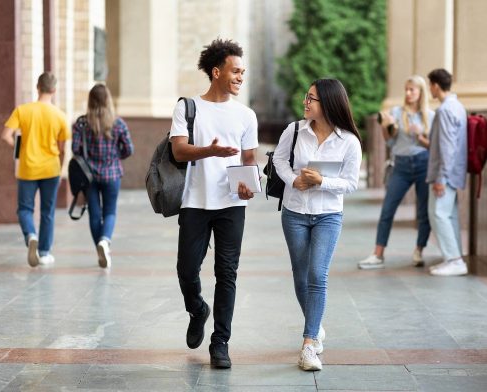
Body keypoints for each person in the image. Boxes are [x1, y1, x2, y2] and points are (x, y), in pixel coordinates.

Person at [170, 38, 258, 369]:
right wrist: (210, 150)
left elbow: (249, 158)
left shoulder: (246, 115)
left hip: (232, 205)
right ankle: (197, 309)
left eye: (243, 72)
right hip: (194, 201)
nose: (240, 77)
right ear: (217, 72)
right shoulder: (187, 107)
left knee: (227, 273)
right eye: (235, 71)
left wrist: (249, 186)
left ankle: (220, 342)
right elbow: (179, 150)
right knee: (187, 269)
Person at [273, 79, 362, 371]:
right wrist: (293, 179)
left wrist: (321, 182)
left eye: (311, 98)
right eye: (306, 97)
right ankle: (316, 324)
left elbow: (351, 183)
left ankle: (309, 343)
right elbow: (279, 161)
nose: (305, 102)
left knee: (317, 274)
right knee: (301, 276)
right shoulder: (295, 130)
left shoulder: (349, 141)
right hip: (295, 212)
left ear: (328, 103)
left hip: (328, 215)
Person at [358, 76, 435, 269]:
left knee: (423, 211)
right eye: (406, 89)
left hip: (423, 164)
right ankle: (378, 254)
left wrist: (419, 136)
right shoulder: (396, 113)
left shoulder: (430, 116)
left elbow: (434, 147)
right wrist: (385, 127)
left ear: (420, 93)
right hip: (400, 165)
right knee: (387, 209)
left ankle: (419, 251)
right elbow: (390, 142)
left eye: (412, 90)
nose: (408, 94)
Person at [1, 72, 70, 267]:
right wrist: (60, 164)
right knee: (48, 212)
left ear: (37, 87)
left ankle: (31, 235)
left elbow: (6, 135)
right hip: (51, 169)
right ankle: (45, 252)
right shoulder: (60, 115)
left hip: (27, 168)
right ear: (54, 90)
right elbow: (63, 147)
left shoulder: (22, 111)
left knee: (24, 209)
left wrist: (18, 147)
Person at [71, 84, 134, 268]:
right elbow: (129, 149)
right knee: (110, 212)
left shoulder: (81, 123)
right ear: (108, 99)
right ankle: (105, 241)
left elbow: (75, 150)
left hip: (89, 176)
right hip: (112, 174)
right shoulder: (118, 123)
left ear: (90, 100)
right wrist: (115, 157)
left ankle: (100, 247)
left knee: (94, 213)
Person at [426, 69, 468, 276]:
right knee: (449, 216)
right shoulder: (458, 107)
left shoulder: (444, 110)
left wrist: (440, 178)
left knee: (439, 214)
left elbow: (447, 147)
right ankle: (453, 258)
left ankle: (454, 260)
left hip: (445, 174)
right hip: (455, 172)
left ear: (435, 85)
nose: (429, 89)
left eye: (430, 85)